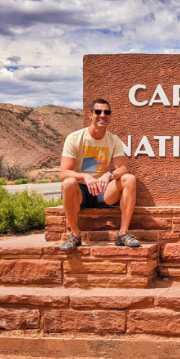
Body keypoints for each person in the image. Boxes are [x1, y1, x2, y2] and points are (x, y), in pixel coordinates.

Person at [59, 98, 139, 251]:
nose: (102, 115)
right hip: (81, 192)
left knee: (129, 179)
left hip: (103, 191)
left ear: (110, 116)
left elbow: (123, 169)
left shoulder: (113, 140)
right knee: (68, 183)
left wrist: (108, 175)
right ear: (90, 115)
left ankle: (123, 234)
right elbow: (64, 173)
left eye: (106, 112)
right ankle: (75, 235)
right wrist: (85, 176)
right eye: (98, 112)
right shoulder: (75, 138)